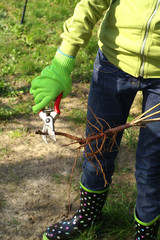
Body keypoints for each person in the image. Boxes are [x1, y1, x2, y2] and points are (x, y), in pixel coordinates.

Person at [30, 0, 160, 239]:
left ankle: (146, 233)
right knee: (96, 151)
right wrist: (62, 62)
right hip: (113, 63)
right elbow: (91, 3)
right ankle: (88, 217)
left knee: (152, 167)